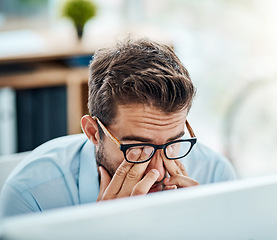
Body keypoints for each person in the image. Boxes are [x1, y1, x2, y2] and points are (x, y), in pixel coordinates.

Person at [0, 38, 237, 218]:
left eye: (172, 143)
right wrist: (105, 230)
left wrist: (195, 225)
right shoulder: (31, 196)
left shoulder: (215, 176)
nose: (158, 171)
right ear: (93, 132)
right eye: (139, 147)